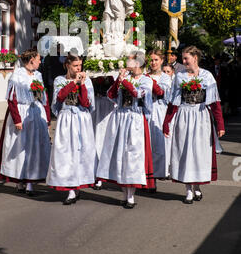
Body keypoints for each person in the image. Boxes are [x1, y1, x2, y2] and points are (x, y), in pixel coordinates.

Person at [163, 45, 225, 204]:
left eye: (186, 58)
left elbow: (215, 103)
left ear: (195, 58)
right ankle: (188, 190)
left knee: (198, 153)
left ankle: (197, 186)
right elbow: (173, 103)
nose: (183, 61)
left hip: (201, 116)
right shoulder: (179, 76)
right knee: (184, 152)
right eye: (183, 58)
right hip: (184, 116)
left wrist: (220, 125)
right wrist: (167, 123)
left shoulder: (207, 76)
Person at [96, 53, 155, 208]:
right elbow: (111, 95)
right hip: (120, 118)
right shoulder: (125, 77)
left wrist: (125, 83)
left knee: (132, 156)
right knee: (119, 154)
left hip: (135, 119)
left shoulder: (146, 80)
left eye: (130, 59)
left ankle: (131, 196)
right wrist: (118, 81)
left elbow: (139, 94)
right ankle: (124, 193)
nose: (127, 62)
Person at [0, 49, 51, 196]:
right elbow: (12, 99)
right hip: (22, 113)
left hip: (36, 114)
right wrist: (17, 120)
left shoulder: (38, 75)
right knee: (21, 148)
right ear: (31, 60)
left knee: (34, 149)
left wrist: (47, 116)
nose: (39, 61)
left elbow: (44, 97)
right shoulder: (17, 76)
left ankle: (30, 182)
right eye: (38, 59)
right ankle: (20, 181)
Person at [46, 53, 96, 205]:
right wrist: (74, 82)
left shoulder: (86, 82)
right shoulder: (60, 80)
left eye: (80, 66)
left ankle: (77, 185)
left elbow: (87, 103)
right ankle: (70, 189)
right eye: (75, 66)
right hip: (66, 119)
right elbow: (60, 97)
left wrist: (81, 86)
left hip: (81, 118)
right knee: (66, 153)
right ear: (67, 65)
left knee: (81, 153)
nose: (78, 68)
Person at [147, 50, 172, 182]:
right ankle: (148, 174)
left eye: (156, 60)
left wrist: (148, 80)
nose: (153, 63)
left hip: (159, 110)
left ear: (162, 61)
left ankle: (160, 171)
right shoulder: (145, 76)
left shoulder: (165, 78)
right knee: (147, 142)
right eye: (151, 60)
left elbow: (161, 93)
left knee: (159, 142)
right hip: (146, 111)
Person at [91, 74, 116, 190]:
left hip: (110, 106)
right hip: (97, 104)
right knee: (96, 137)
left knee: (108, 139)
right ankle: (96, 173)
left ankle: (109, 171)